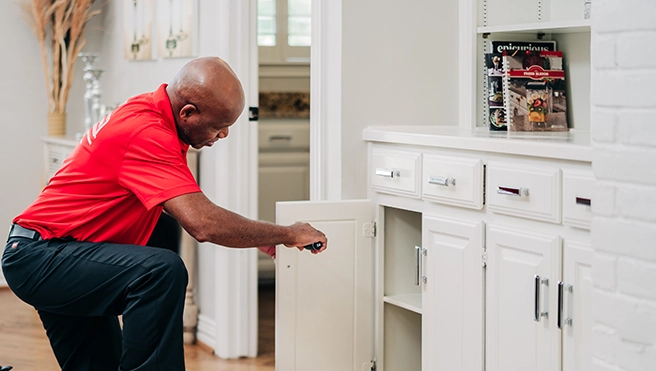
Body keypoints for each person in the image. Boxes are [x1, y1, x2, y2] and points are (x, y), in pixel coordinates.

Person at [1, 56, 327, 371]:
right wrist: (288, 233)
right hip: (44, 256)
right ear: (188, 113)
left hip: (63, 253)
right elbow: (204, 224)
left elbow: (179, 207)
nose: (224, 135)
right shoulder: (148, 133)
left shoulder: (151, 111)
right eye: (219, 126)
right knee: (160, 271)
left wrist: (251, 235)